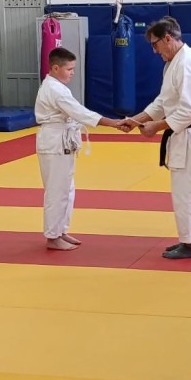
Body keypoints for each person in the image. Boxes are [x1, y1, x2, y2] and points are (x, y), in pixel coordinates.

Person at [118, 17, 191, 260]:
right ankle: (187, 239)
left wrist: (156, 126)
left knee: (189, 194)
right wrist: (136, 120)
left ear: (167, 38)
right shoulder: (173, 63)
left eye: (155, 44)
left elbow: (189, 111)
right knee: (182, 193)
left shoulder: (187, 63)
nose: (155, 51)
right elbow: (163, 102)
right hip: (183, 136)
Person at [35, 47, 123, 250]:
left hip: (61, 141)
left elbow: (78, 113)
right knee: (57, 191)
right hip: (54, 142)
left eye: (73, 69)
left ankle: (61, 230)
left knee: (67, 189)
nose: (72, 73)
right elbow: (81, 113)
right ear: (55, 68)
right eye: (69, 69)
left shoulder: (57, 87)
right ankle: (53, 237)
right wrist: (114, 123)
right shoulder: (55, 90)